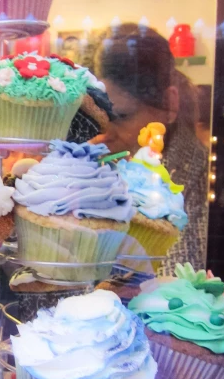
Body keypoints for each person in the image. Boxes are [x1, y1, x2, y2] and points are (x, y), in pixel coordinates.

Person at [84, 22, 209, 273]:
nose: (102, 134)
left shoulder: (206, 185)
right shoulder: (94, 167)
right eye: (90, 119)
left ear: (170, 104)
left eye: (121, 116)